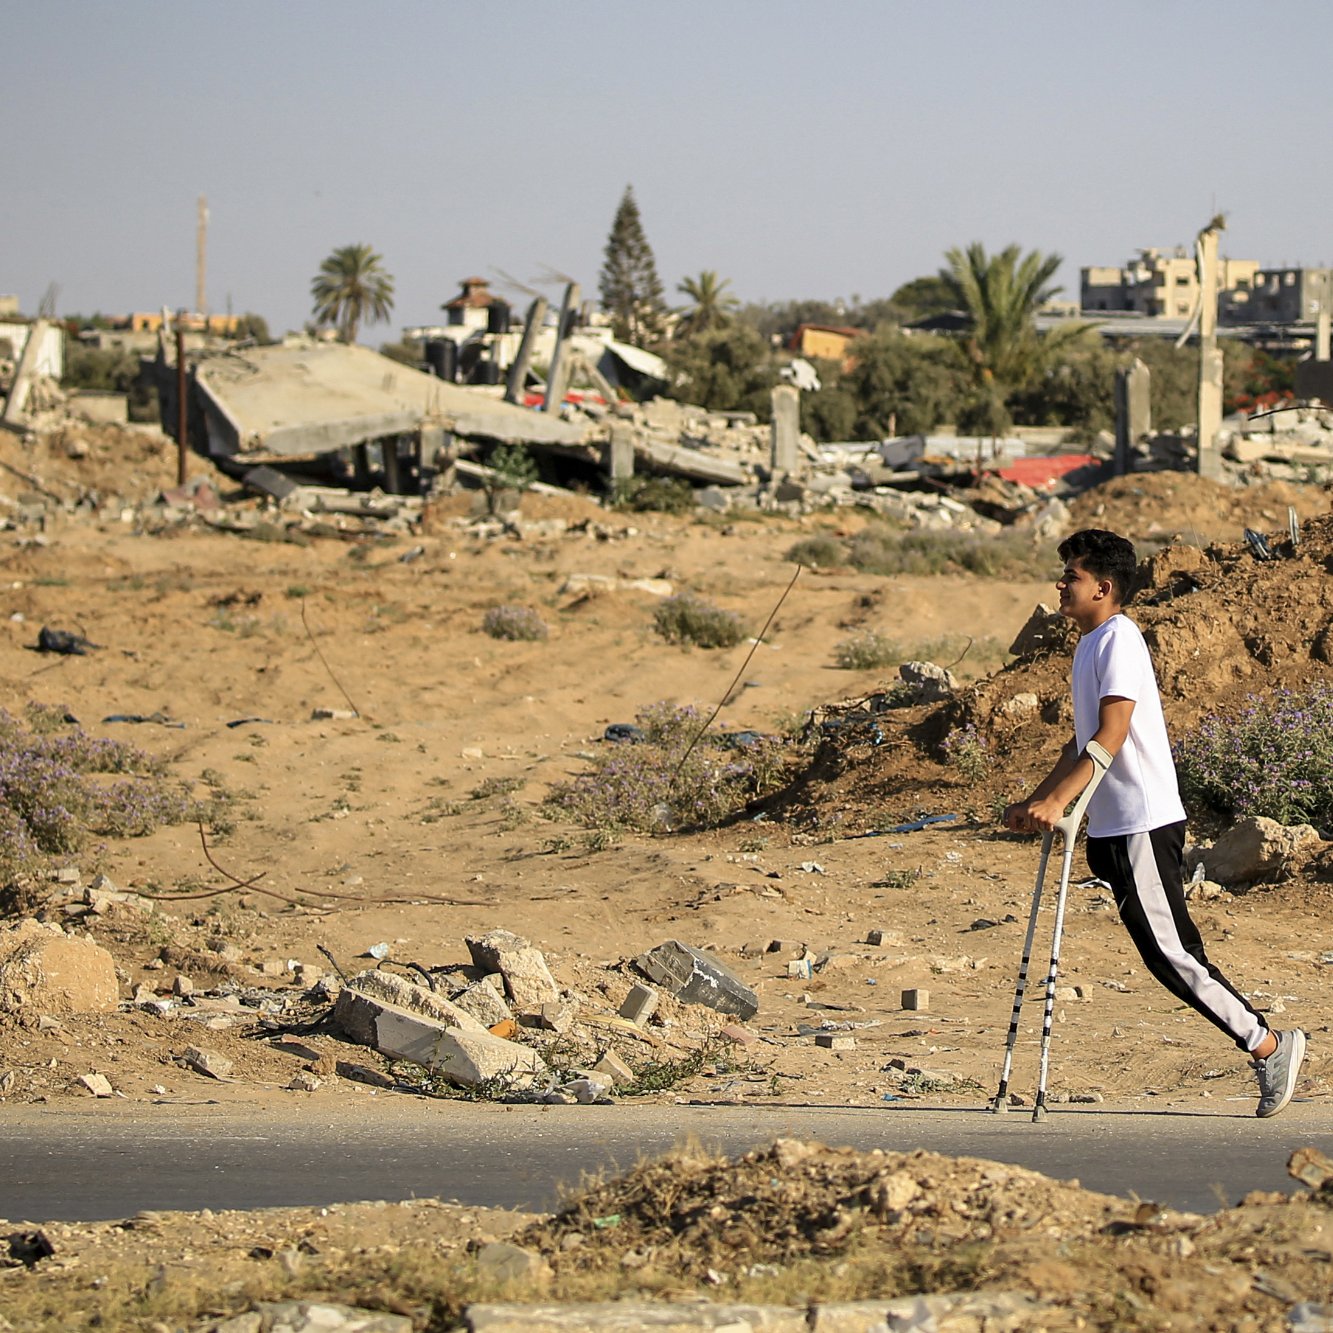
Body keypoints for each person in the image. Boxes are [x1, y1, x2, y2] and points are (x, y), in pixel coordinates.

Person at [1003, 528, 1306, 1118]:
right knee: (1161, 951)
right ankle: (1265, 1042)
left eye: (1072, 576)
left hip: (1143, 819)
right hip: (1114, 825)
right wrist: (1037, 799)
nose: (1061, 584)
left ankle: (1269, 1045)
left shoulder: (1120, 638)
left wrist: (1062, 803)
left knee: (1171, 952)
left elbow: (1111, 736)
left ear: (1104, 588)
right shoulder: (1089, 644)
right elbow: (1080, 742)